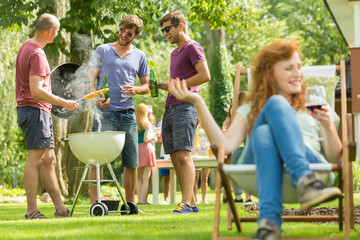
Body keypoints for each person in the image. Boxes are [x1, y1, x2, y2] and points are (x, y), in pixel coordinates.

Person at [168, 40, 342, 239]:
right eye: (288, 68)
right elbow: (225, 147)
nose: (298, 74)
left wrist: (328, 127)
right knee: (268, 120)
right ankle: (304, 180)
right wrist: (198, 101)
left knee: (262, 133)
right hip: (259, 169)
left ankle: (269, 224)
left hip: (315, 168)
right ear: (269, 74)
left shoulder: (314, 103)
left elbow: (337, 157)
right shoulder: (250, 108)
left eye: (299, 67)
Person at [15, 13, 79, 219]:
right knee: (35, 159)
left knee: (49, 159)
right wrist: (64, 102)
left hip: (38, 111)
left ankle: (60, 209)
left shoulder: (26, 47)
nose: (58, 35)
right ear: (50, 32)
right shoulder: (37, 54)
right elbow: (36, 90)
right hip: (34, 110)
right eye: (57, 31)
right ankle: (31, 210)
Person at [88, 15, 150, 207]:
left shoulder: (139, 56)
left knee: (131, 162)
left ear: (136, 35)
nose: (123, 35)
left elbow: (147, 86)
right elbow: (91, 76)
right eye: (122, 30)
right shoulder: (103, 50)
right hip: (105, 113)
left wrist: (136, 89)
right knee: (97, 159)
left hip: (128, 114)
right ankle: (95, 203)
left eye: (129, 33)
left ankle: (130, 204)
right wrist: (95, 96)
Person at [158, 11, 211, 214]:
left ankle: (186, 203)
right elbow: (176, 85)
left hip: (185, 107)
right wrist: (163, 85)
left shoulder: (192, 47)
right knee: (174, 157)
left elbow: (205, 75)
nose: (165, 33)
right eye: (163, 30)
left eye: (167, 29)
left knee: (184, 156)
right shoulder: (175, 53)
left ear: (180, 26)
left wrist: (178, 85)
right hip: (170, 108)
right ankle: (191, 202)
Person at [222, 91, 252, 203]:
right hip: (241, 146)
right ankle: (245, 197)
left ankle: (241, 197)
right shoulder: (243, 112)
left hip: (240, 146)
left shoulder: (241, 113)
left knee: (236, 172)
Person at [135, 104, 159, 204]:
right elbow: (146, 139)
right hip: (146, 149)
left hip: (137, 149)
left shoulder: (134, 123)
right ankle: (142, 201)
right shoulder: (147, 124)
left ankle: (139, 200)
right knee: (146, 177)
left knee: (138, 177)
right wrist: (155, 133)